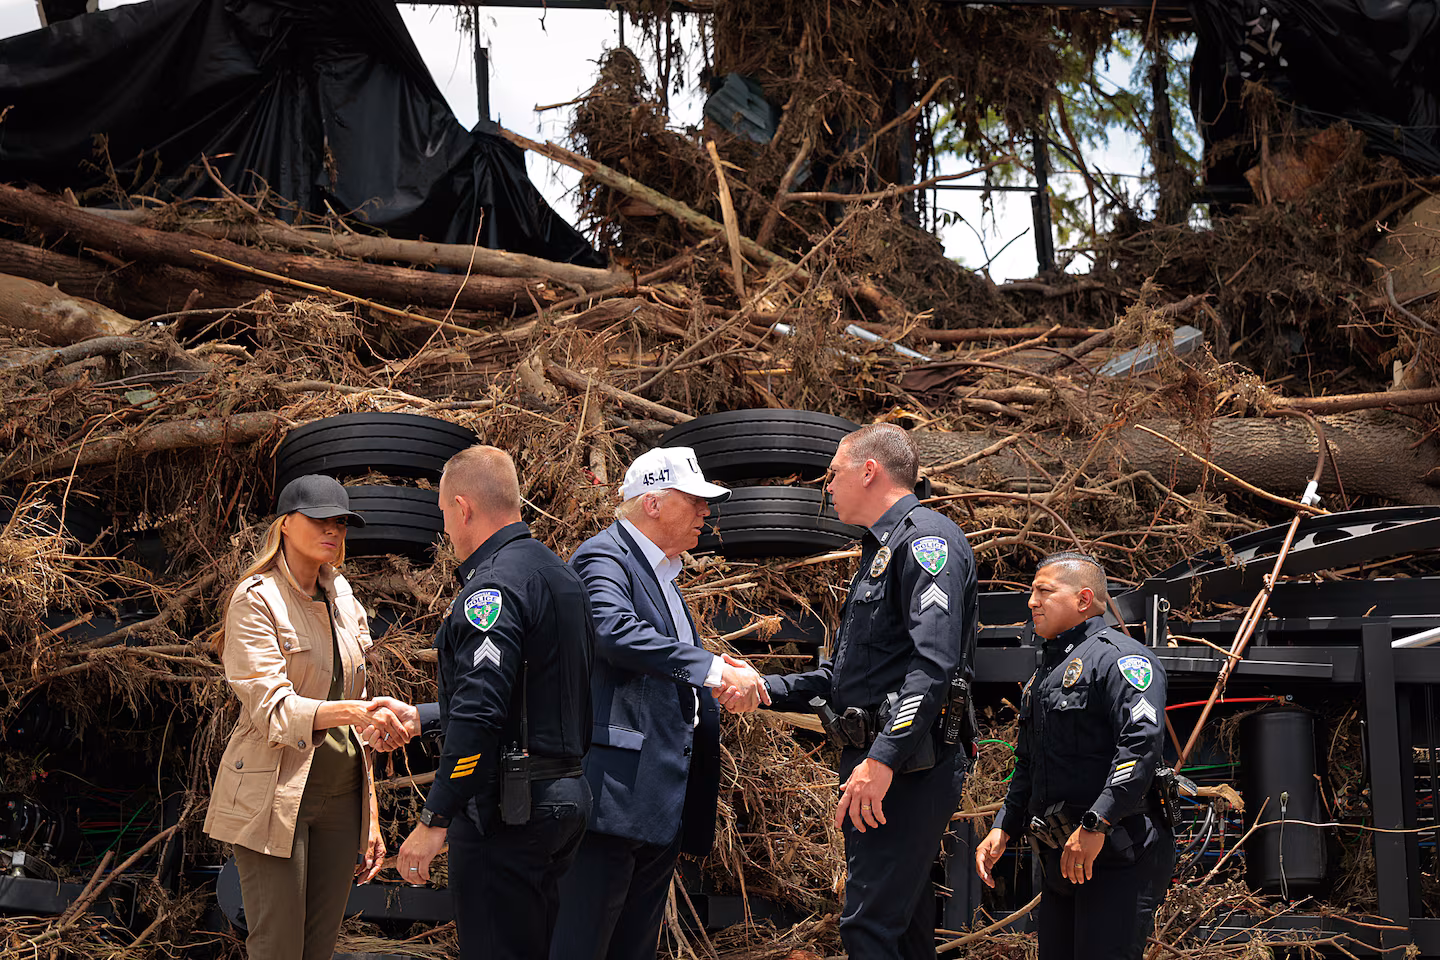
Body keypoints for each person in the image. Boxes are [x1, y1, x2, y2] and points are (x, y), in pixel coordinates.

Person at [750, 423, 977, 960]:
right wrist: (762, 687)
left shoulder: (926, 543)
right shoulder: (879, 550)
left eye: (833, 473)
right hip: (888, 765)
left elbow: (933, 663)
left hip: (908, 768)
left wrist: (883, 760)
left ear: (868, 471)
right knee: (902, 931)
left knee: (869, 930)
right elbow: (846, 679)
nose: (826, 485)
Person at [551, 446, 771, 960]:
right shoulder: (602, 557)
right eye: (694, 500)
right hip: (610, 802)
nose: (705, 512)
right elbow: (612, 631)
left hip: (651, 804)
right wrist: (714, 669)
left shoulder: (663, 575)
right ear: (652, 503)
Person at [204, 474, 417, 960]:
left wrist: (371, 817)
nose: (333, 529)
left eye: (340, 521)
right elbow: (272, 709)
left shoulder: (342, 596)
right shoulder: (256, 599)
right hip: (274, 795)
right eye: (319, 519)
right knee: (278, 947)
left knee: (318, 949)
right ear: (284, 524)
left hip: (342, 798)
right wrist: (356, 711)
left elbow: (355, 715)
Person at [395, 445, 595, 960]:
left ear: (463, 507)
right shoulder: (561, 575)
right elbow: (530, 696)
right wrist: (423, 717)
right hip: (564, 798)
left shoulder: (492, 589)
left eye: (443, 512)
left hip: (509, 814)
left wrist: (434, 817)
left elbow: (482, 713)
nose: (445, 528)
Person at [974, 552, 1173, 960]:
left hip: (1116, 849)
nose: (1032, 601)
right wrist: (1003, 826)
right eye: (1031, 592)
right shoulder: (1046, 673)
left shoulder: (1121, 658)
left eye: (1044, 591)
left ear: (1083, 600)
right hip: (1062, 854)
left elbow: (1141, 743)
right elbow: (1029, 762)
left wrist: (1097, 822)